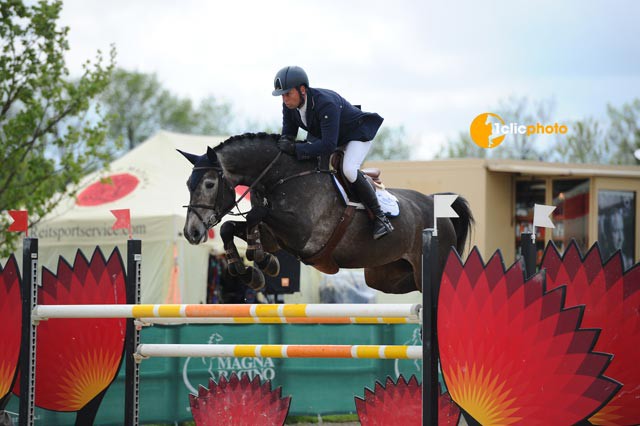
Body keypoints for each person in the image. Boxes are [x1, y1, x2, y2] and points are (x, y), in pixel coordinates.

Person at [271, 65, 394, 239]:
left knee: (348, 169)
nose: (284, 99)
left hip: (355, 134)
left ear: (302, 89)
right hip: (327, 135)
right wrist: (283, 145)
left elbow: (328, 146)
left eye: (287, 93)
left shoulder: (325, 103)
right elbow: (288, 135)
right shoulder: (290, 106)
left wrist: (296, 148)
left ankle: (380, 218)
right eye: (282, 95)